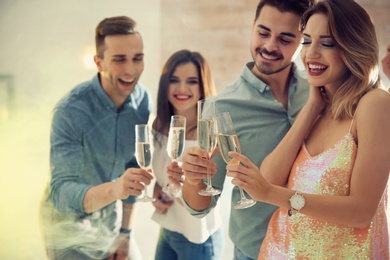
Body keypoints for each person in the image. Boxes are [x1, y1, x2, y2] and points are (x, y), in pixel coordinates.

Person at [226, 0, 390, 258]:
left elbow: (361, 212)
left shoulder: (374, 104)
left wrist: (272, 194)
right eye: (307, 41)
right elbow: (267, 179)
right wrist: (312, 107)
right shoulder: (318, 107)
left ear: (354, 48)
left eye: (326, 43)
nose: (310, 54)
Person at [180, 0, 314, 259]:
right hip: (255, 251)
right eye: (263, 33)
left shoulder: (317, 91)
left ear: (302, 40)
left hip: (315, 248)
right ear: (252, 27)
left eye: (285, 39)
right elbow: (202, 206)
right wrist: (193, 179)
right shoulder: (221, 107)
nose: (270, 46)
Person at [40, 16, 153, 260]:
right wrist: (115, 189)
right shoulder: (70, 110)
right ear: (99, 62)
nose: (131, 70)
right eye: (119, 60)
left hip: (110, 218)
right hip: (67, 227)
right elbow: (60, 193)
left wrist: (125, 233)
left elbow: (133, 168)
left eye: (138, 58)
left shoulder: (143, 101)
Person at [151, 50, 224, 260]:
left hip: (197, 237)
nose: (182, 88)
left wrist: (170, 188)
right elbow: (163, 175)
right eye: (174, 80)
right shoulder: (159, 125)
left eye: (192, 81)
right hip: (169, 228)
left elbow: (204, 203)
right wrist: (159, 189)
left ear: (202, 86)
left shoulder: (209, 135)